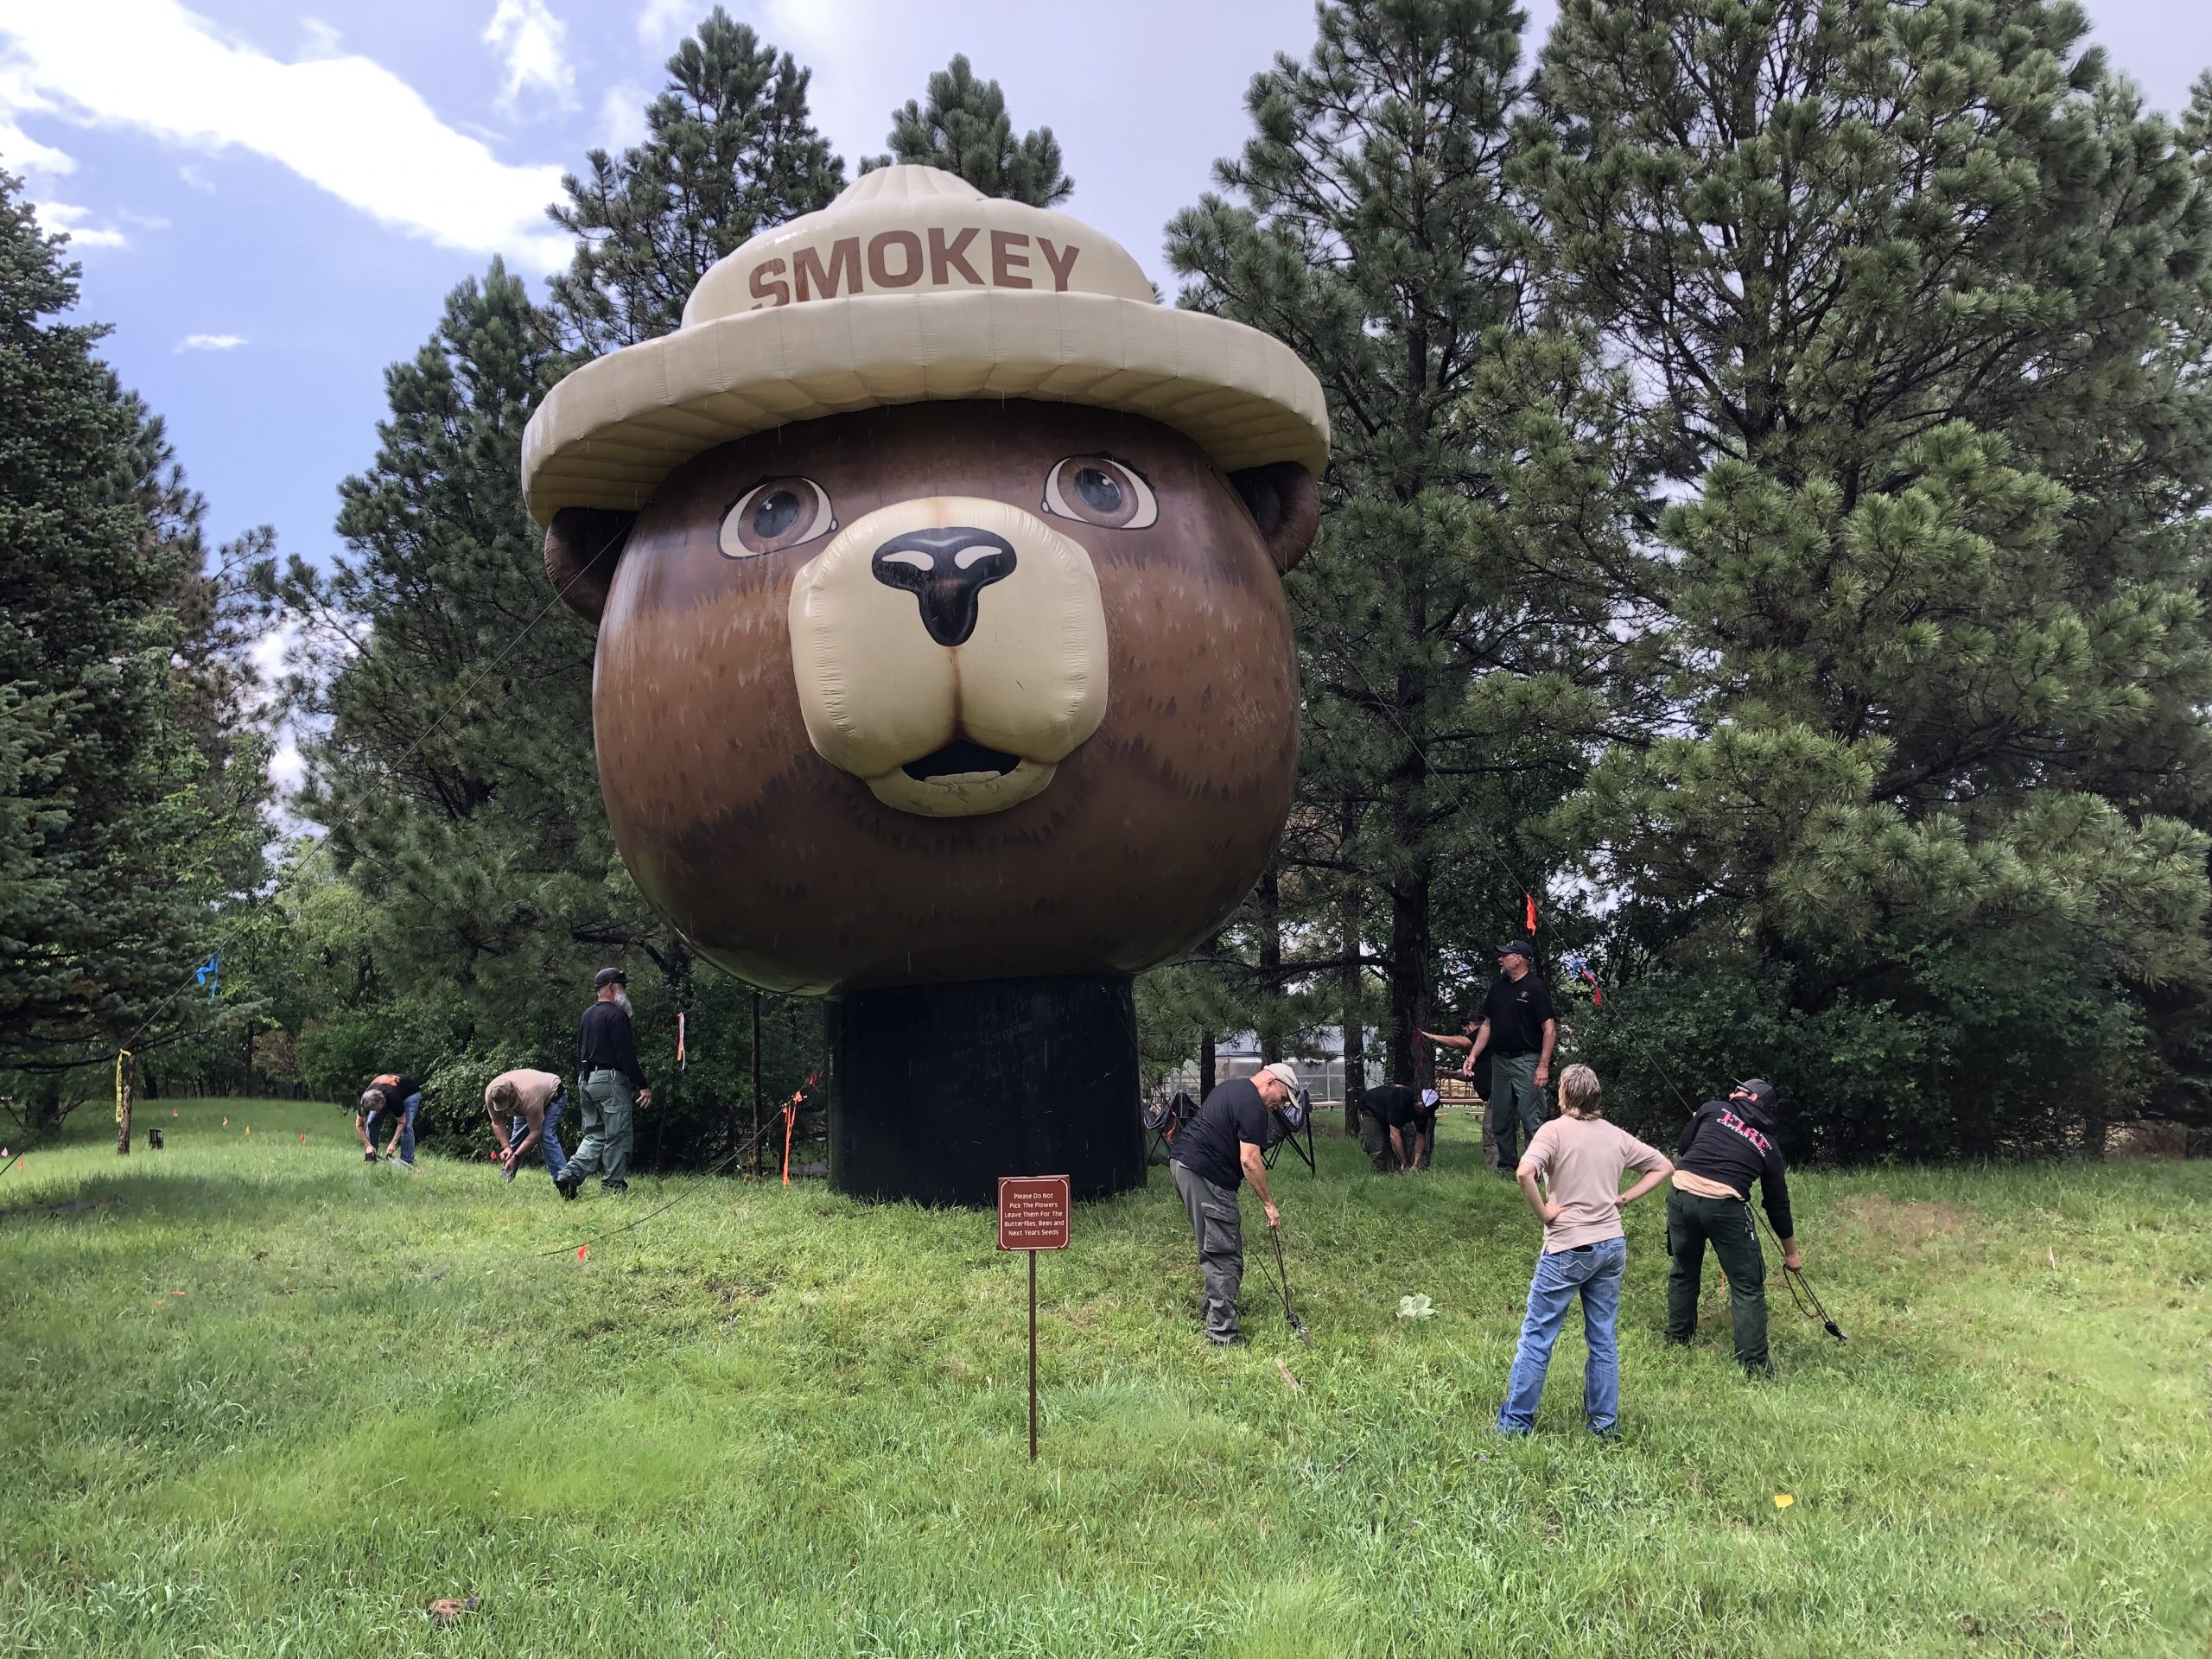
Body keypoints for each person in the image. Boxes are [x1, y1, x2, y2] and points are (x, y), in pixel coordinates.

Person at [1497, 1064, 1671, 1437]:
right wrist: (1623, 1199)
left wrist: (1545, 1214)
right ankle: (1604, 1427)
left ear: (1562, 1094)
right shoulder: (1615, 1136)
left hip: (1567, 1248)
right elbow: (1664, 1166)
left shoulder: (1553, 1131)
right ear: (1596, 1096)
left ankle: (1514, 1425)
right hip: (1611, 1245)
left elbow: (1524, 1172)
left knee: (1537, 1336)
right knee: (1603, 1338)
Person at [1665, 1078, 1801, 1375]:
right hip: (1724, 1208)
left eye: (1738, 1090)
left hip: (1680, 1197)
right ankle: (1754, 1367)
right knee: (1747, 1286)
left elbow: (1683, 1147)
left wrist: (1699, 1120)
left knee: (1683, 1270)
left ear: (1753, 1098)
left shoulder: (1713, 1109)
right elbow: (1778, 1204)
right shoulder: (1769, 1146)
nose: (1731, 1093)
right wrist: (1791, 1254)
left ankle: (1677, 1340)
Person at [1167, 1061, 1297, 1345]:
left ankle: (1213, 1309)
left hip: (1183, 1165)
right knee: (1225, 1255)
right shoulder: (1253, 1104)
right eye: (1284, 1098)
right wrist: (1269, 1204)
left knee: (1214, 1244)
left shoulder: (1232, 1088)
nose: (1281, 1106)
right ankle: (1221, 1333)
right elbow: (1250, 1161)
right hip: (1204, 1173)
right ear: (1272, 1083)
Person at [1460, 942, 1556, 1176]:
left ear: (1519, 959)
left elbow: (1549, 1029)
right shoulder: (1498, 988)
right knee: (1501, 1117)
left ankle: (1537, 1169)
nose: (1500, 959)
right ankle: (1507, 1168)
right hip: (1499, 1062)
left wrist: (1543, 1066)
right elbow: (1488, 1025)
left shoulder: (1535, 988)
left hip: (1527, 1060)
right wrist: (1473, 1055)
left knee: (1530, 1116)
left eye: (1505, 955)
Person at [561, 968, 652, 1198]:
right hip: (610, 1081)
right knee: (618, 1135)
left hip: (586, 1079)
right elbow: (625, 1055)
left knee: (594, 1134)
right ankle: (612, 1188)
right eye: (623, 986)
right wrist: (642, 1084)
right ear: (612, 987)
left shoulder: (586, 1015)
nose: (626, 991)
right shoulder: (616, 1015)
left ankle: (570, 1175)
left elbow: (580, 1049)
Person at [1418, 1018, 1497, 1166]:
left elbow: (1462, 1042)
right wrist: (1448, 1073)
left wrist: (1432, 1037)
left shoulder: (1482, 1032)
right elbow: (1471, 1076)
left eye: (1465, 1030)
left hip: (1497, 1095)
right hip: (1493, 1096)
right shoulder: (1482, 1052)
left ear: (1472, 1025)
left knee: (1490, 1134)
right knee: (1496, 1133)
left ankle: (1498, 1171)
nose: (1466, 1034)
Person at [486, 1068, 571, 1197]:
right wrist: (507, 1148)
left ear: (512, 1092)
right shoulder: (492, 1094)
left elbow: (535, 1133)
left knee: (546, 1136)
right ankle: (504, 1181)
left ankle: (566, 1185)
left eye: (507, 1104)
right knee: (517, 1140)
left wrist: (516, 1156)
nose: (506, 1108)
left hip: (553, 1095)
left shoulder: (529, 1096)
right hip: (526, 1101)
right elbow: (497, 1123)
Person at [1357, 1084, 1440, 1173]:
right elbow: (1394, 1135)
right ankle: (1379, 1177)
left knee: (1394, 1152)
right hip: (1369, 1108)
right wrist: (1404, 1164)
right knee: (1378, 1147)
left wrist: (1416, 1164)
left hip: (1386, 1113)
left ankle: (1395, 1174)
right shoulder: (1400, 1099)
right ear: (1420, 1100)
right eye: (1425, 1110)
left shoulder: (1423, 1113)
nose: (1424, 1114)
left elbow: (1420, 1138)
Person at [356, 1072, 421, 1169]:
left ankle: (407, 1164)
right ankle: (371, 1159)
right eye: (373, 1110)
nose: (377, 1111)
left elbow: (401, 1122)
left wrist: (392, 1143)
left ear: (382, 1102)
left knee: (406, 1127)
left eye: (378, 1109)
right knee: (371, 1123)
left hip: (410, 1093)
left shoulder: (393, 1097)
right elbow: (359, 1125)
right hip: (386, 1090)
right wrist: (368, 1145)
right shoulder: (365, 1101)